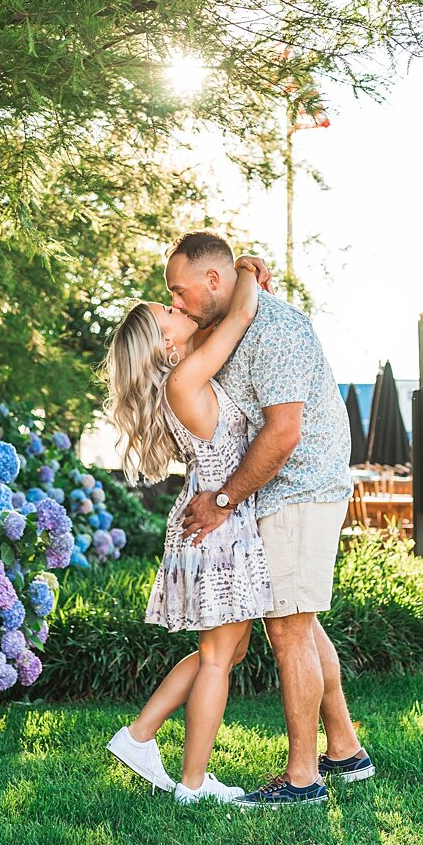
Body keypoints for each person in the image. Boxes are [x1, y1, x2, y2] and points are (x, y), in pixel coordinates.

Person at [168, 231, 372, 807]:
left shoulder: (275, 330)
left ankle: (302, 779)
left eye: (180, 293)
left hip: (300, 487)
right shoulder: (232, 316)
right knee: (301, 624)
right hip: (274, 492)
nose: (178, 305)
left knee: (288, 630)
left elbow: (283, 435)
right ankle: (345, 751)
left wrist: (223, 500)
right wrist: (248, 277)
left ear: (213, 279)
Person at [103, 257, 275, 803]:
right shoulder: (184, 378)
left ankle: (138, 736)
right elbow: (242, 311)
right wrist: (246, 266)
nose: (178, 307)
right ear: (161, 344)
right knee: (220, 658)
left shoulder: (184, 374)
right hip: (218, 525)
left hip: (214, 519)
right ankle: (194, 784)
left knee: (224, 651)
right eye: (168, 311)